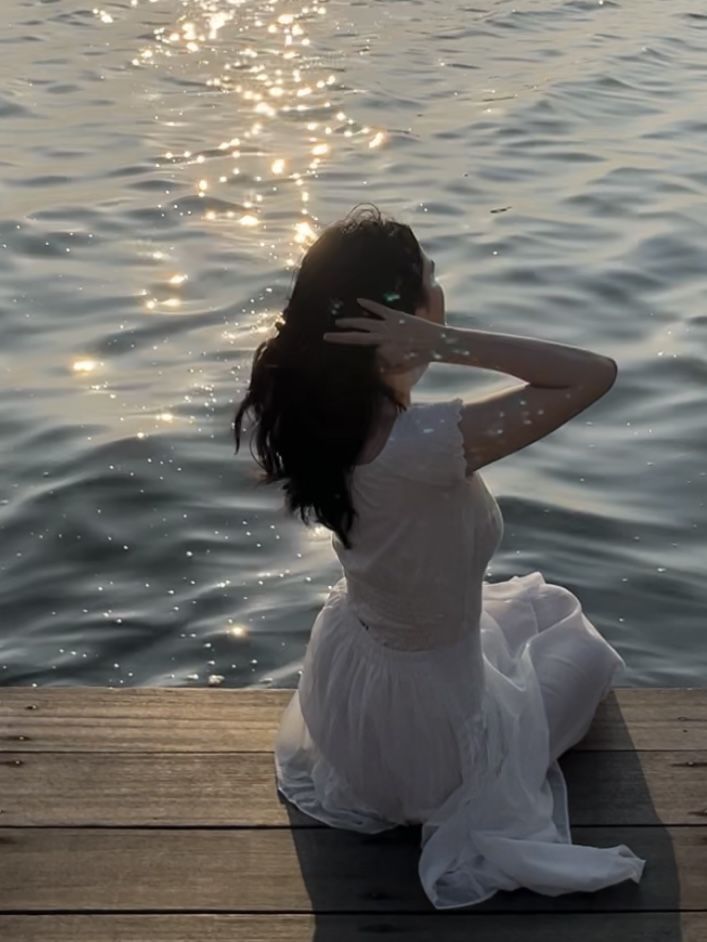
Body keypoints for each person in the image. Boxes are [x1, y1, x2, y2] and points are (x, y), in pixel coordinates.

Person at [233, 204, 646, 909]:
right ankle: (453, 780)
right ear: (409, 314)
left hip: (355, 694)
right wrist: (447, 342)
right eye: (432, 278)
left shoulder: (319, 411)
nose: (439, 286)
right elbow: (593, 373)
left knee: (538, 604)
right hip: (435, 739)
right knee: (579, 643)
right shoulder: (420, 444)